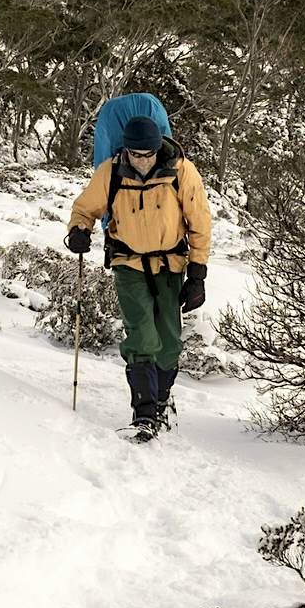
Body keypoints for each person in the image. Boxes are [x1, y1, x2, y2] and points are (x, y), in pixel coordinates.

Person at [65, 115, 212, 438]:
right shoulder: (112, 172)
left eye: (148, 154)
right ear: (127, 150)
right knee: (142, 336)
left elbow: (199, 222)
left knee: (169, 343)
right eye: (136, 154)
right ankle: (144, 412)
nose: (142, 161)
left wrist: (197, 274)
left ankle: (160, 402)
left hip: (171, 265)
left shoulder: (181, 171)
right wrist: (79, 230)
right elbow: (85, 207)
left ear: (158, 148)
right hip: (128, 263)